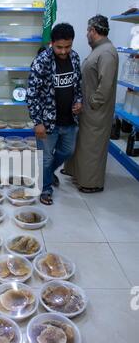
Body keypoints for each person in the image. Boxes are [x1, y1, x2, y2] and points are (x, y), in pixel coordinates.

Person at [26, 23, 82, 205]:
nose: (64, 51)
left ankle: (47, 174)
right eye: (60, 47)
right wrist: (37, 122)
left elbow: (78, 85)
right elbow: (32, 94)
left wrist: (79, 101)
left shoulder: (74, 58)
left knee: (68, 151)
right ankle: (46, 189)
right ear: (52, 43)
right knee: (46, 157)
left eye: (68, 46)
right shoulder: (41, 62)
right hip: (48, 122)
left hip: (69, 120)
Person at [64, 15, 119, 193]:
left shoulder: (107, 52)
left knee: (92, 147)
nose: (87, 34)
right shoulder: (98, 50)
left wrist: (92, 103)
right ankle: (76, 173)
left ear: (93, 31)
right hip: (87, 109)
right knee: (82, 144)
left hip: (96, 111)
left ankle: (92, 183)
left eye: (88, 31)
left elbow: (106, 84)